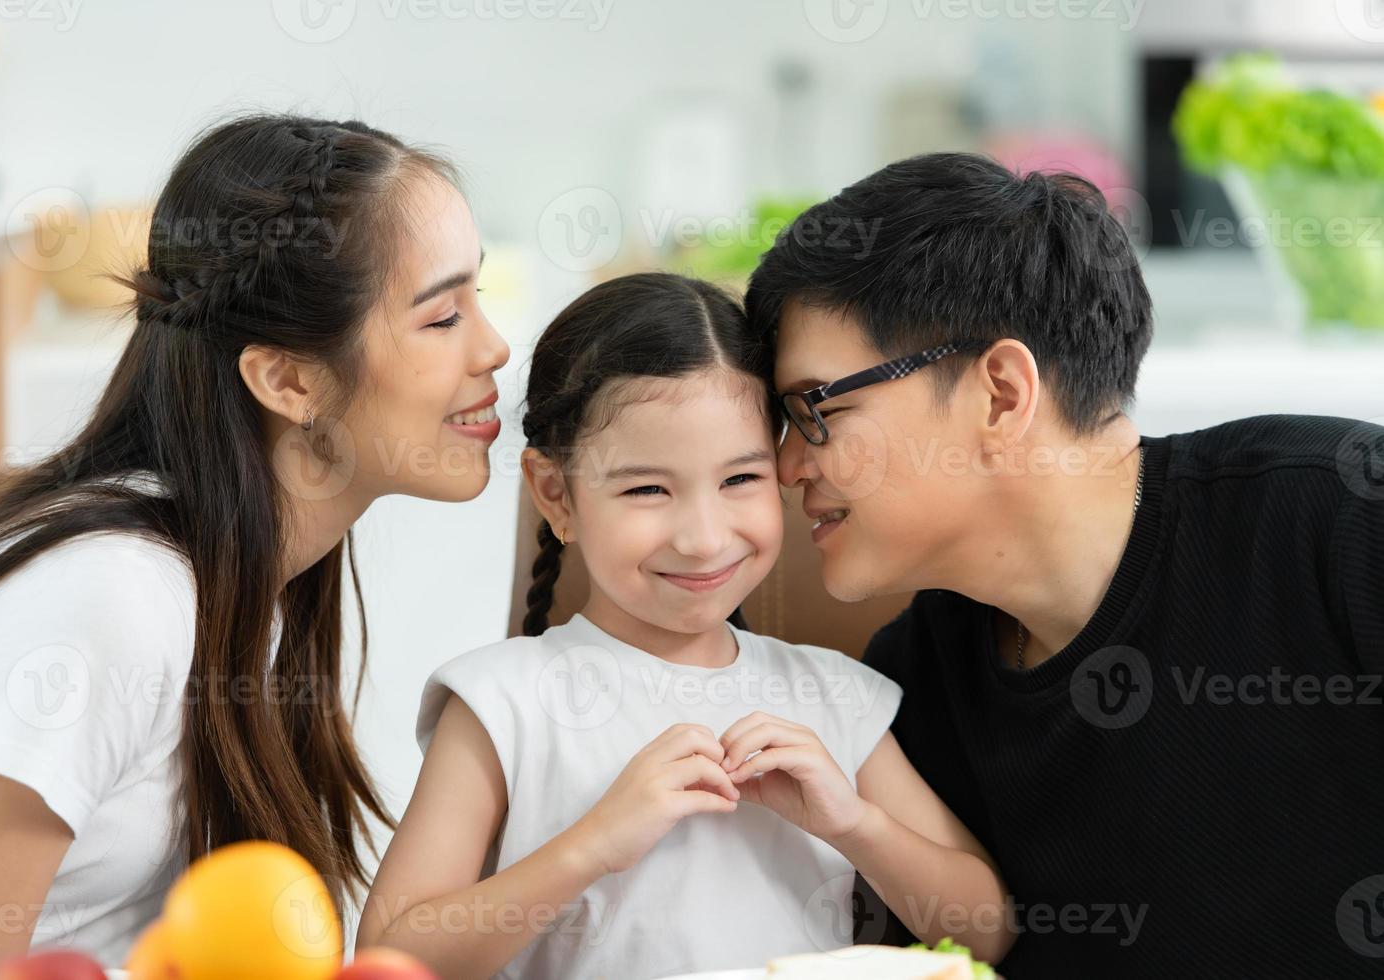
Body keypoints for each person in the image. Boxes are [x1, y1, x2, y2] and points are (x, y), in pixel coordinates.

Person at [746, 151, 1384, 978]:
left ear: (1002, 393)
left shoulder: (1340, 521)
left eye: (815, 411)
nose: (791, 465)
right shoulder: (914, 686)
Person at [0, 113, 510, 973]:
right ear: (289, 380)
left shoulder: (245, 573)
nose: (492, 346)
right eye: (443, 316)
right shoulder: (110, 600)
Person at [359, 272, 1013, 979]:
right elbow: (389, 960)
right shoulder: (501, 702)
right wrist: (592, 846)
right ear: (558, 495)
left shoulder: (835, 696)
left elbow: (990, 931)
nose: (704, 538)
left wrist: (854, 823)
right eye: (647, 489)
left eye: (741, 480)